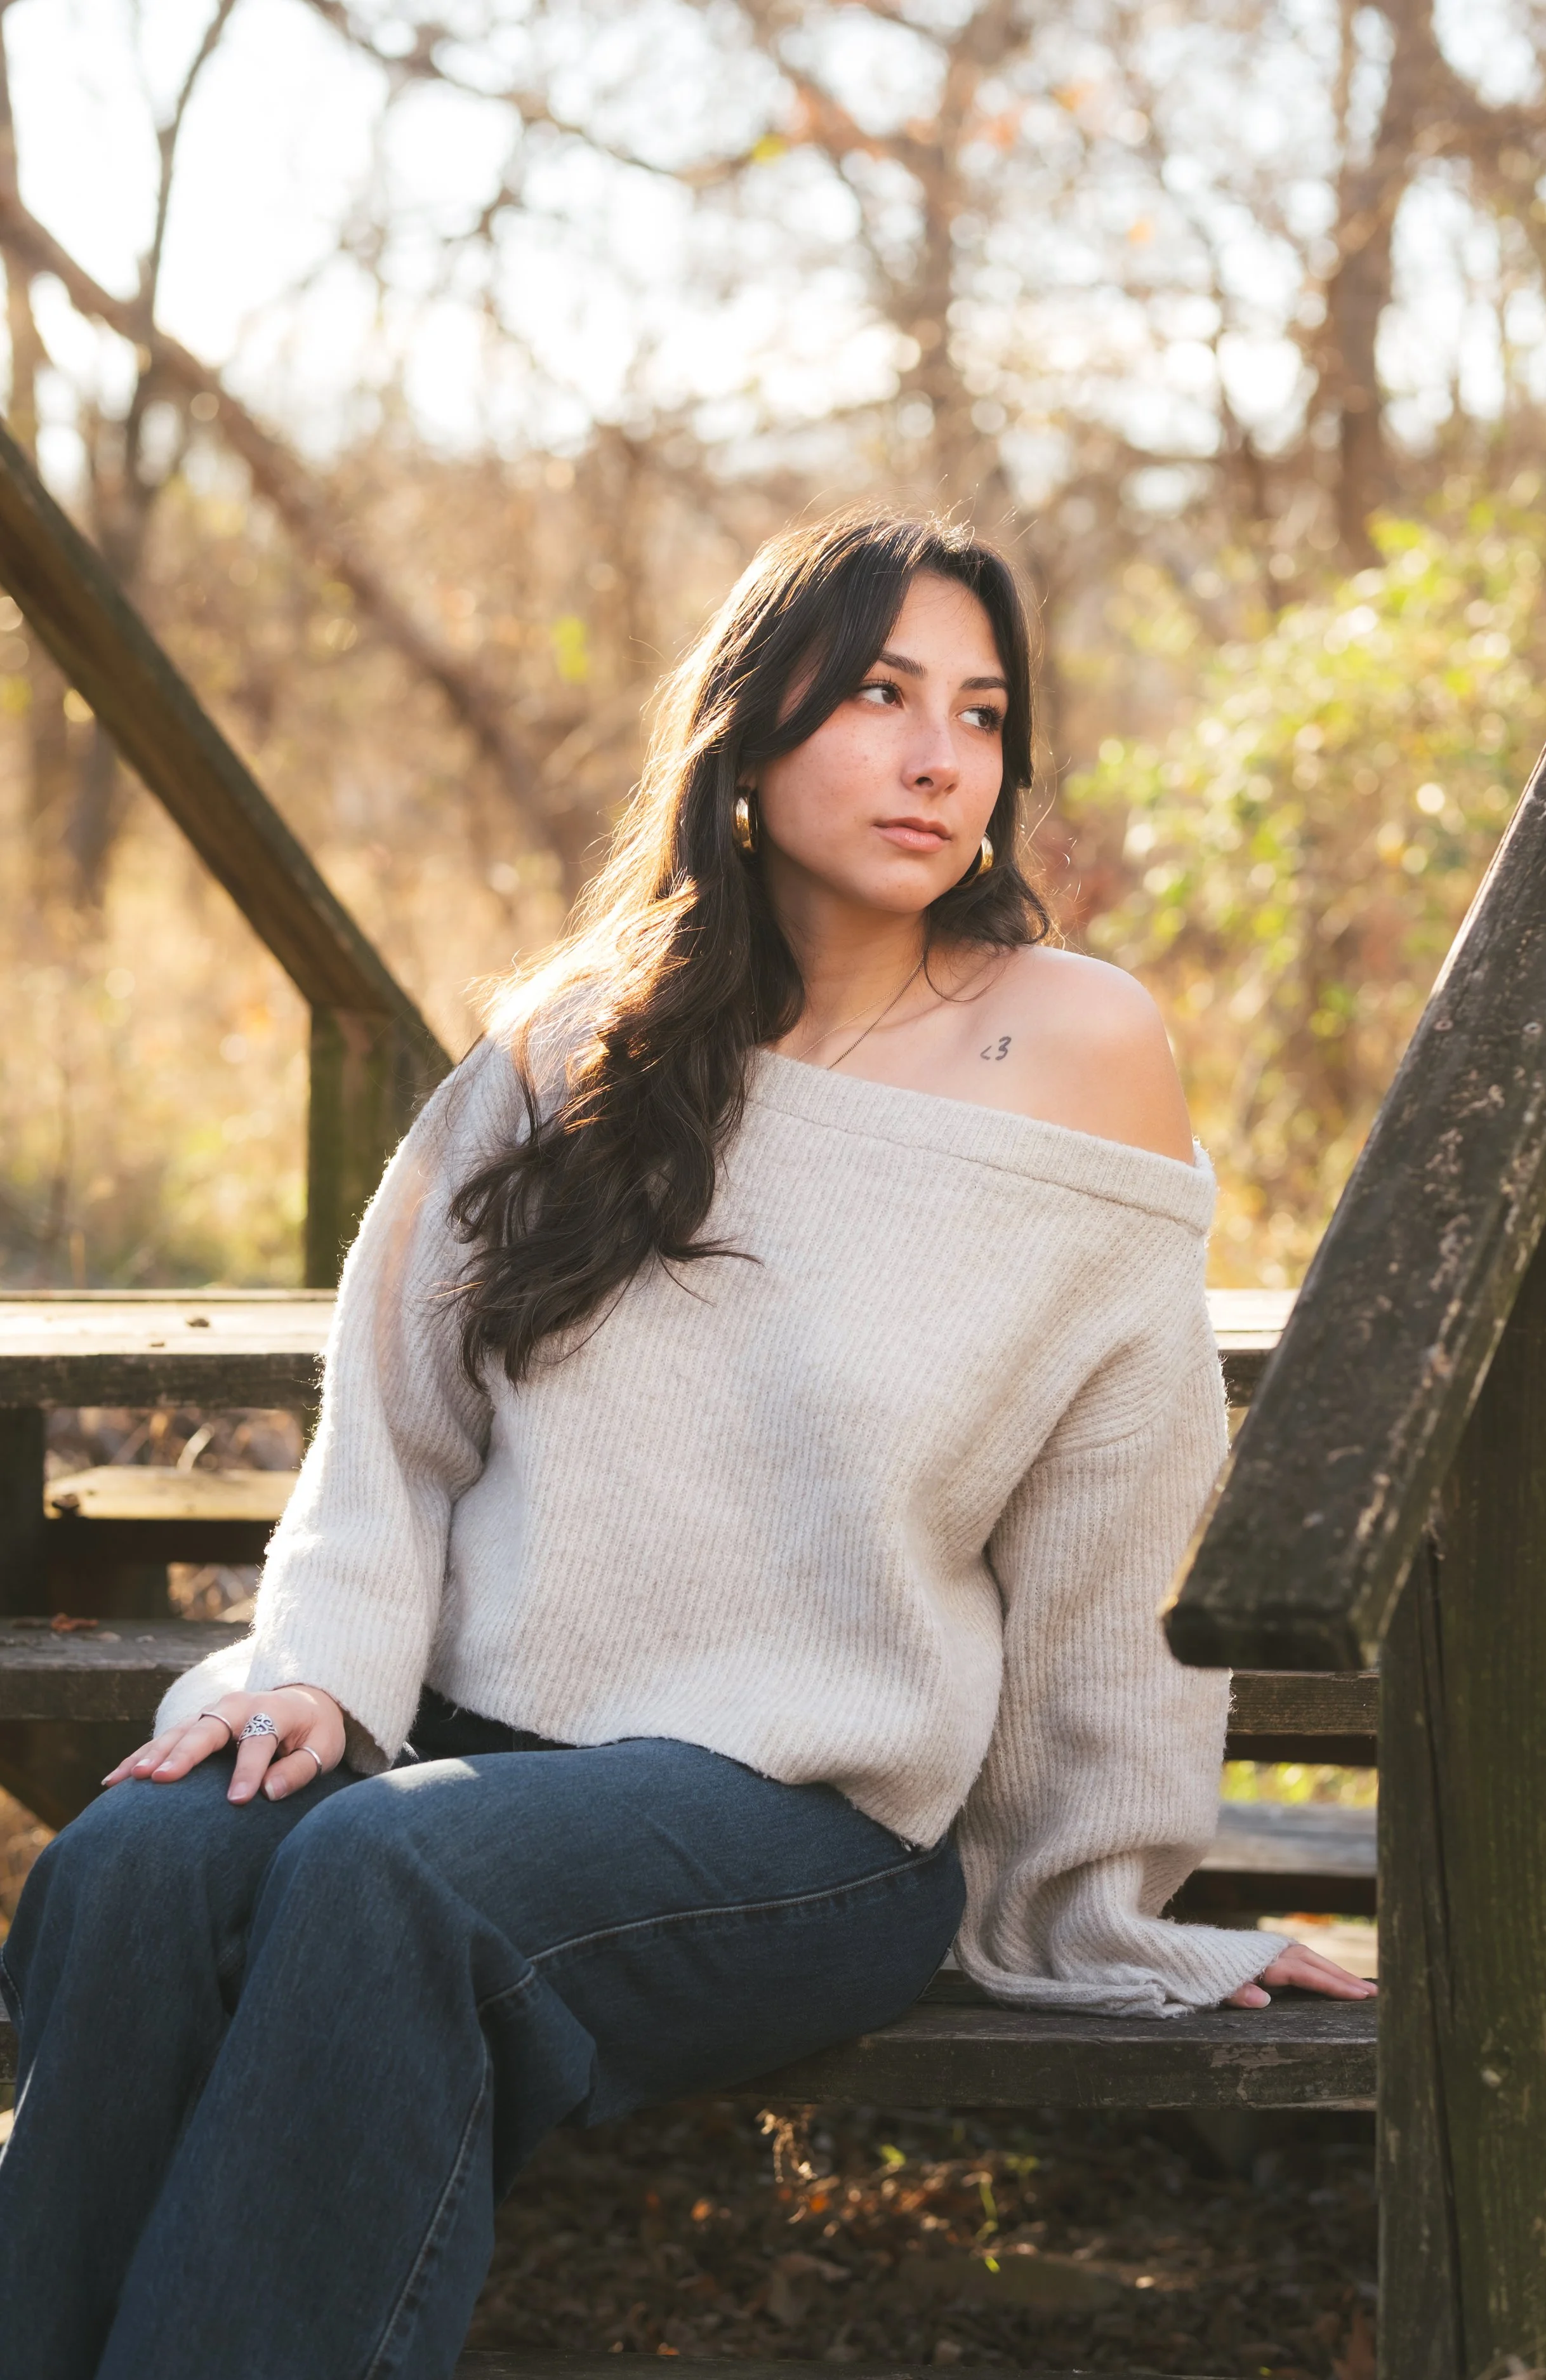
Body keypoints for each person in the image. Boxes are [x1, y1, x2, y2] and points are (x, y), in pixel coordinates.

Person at [0, 510, 1371, 2380]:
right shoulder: (571, 1046)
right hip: (471, 1744)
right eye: (879, 694)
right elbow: (391, 1429)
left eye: (977, 712)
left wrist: (1109, 1910)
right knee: (141, 1860)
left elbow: (1113, 1521)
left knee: (389, 1876)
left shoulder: (1074, 1047)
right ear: (750, 730)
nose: (935, 755)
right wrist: (313, 1671)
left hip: (804, 1824)